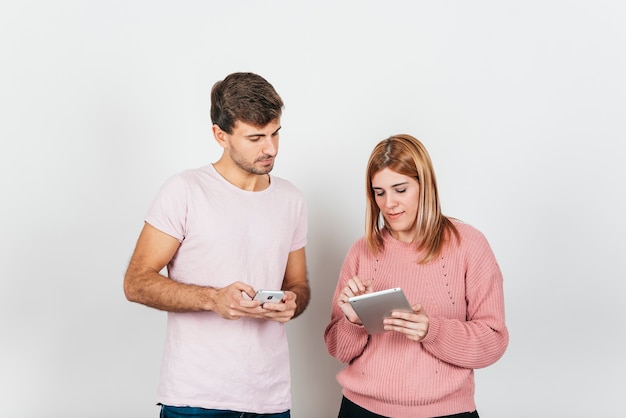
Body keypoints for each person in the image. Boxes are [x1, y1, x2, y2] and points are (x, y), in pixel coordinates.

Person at [124, 72, 310, 418]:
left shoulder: (291, 199)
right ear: (220, 135)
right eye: (255, 138)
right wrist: (214, 299)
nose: (270, 148)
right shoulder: (185, 190)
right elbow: (136, 282)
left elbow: (297, 285)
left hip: (271, 399)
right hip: (197, 398)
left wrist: (292, 303)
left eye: (275, 133)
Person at [324, 134, 508, 418]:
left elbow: (493, 342)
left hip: (445, 412)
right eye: (379, 192)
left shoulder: (469, 245)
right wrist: (353, 321)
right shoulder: (362, 250)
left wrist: (431, 331)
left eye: (400, 189)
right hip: (362, 410)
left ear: (425, 185)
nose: (389, 203)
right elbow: (338, 350)